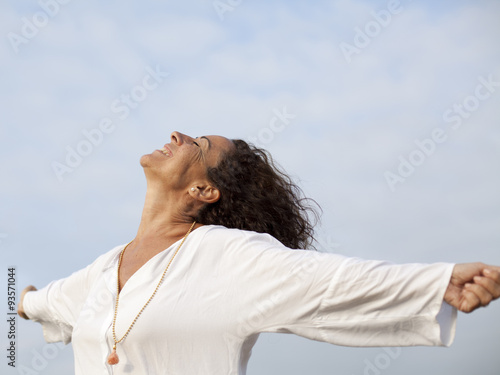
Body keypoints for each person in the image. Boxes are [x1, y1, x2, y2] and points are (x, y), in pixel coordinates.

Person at [18, 131, 500, 374]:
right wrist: (20, 300)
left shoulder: (228, 256)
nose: (178, 135)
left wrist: (440, 281)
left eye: (199, 145)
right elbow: (36, 303)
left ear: (205, 189)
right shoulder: (102, 270)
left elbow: (327, 282)